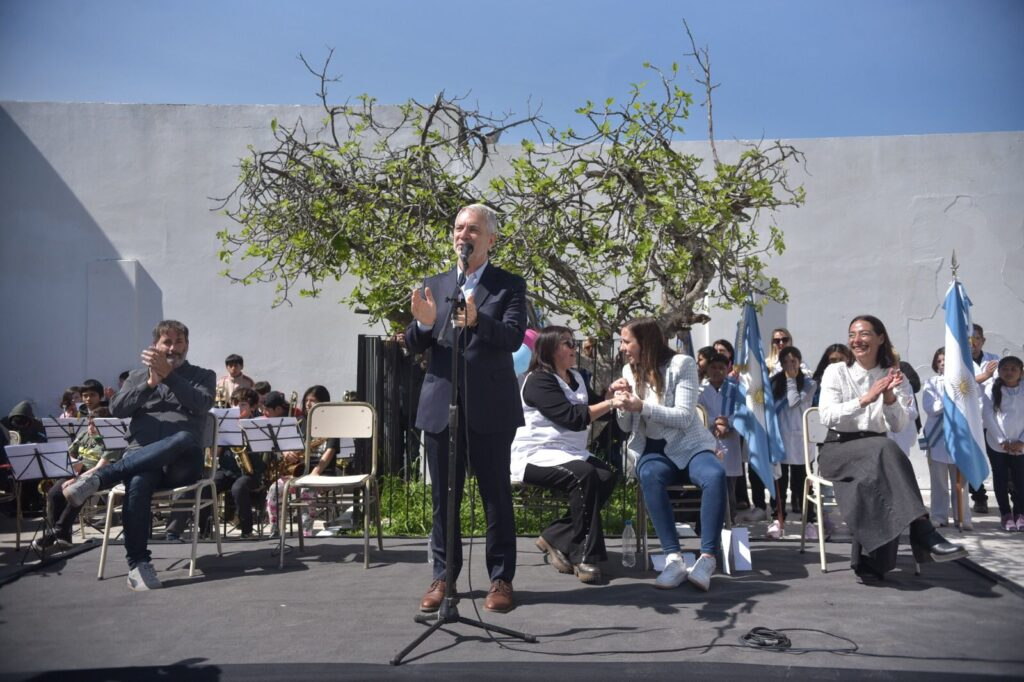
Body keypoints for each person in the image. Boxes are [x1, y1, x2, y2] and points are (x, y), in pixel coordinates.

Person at [405, 203, 526, 614]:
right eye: (458, 228)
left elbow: (512, 338)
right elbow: (417, 341)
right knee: (444, 499)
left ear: (490, 239)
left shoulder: (509, 285)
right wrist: (421, 325)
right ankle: (443, 577)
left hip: (491, 407)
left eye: (472, 229)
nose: (463, 235)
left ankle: (500, 579)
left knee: (495, 498)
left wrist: (478, 321)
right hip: (442, 406)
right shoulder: (435, 283)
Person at [63, 320, 216, 591]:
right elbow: (118, 409)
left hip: (183, 461)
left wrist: (169, 376)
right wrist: (149, 383)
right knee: (138, 481)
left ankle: (102, 477)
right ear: (155, 346)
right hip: (141, 456)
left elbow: (201, 404)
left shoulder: (203, 375)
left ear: (187, 345)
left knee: (182, 437)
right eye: (167, 342)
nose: (173, 348)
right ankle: (137, 565)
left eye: (179, 342)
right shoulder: (136, 376)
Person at [817, 314, 966, 581]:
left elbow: (898, 425)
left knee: (881, 458)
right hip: (838, 449)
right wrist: (865, 399)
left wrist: (887, 399)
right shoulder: (836, 371)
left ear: (880, 338)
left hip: (876, 451)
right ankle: (922, 529)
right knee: (885, 450)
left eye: (864, 334)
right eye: (852, 334)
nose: (856, 340)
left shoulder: (893, 375)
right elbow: (827, 416)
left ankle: (874, 562)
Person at [614, 318, 727, 592]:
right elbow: (627, 426)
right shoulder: (629, 371)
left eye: (627, 341)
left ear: (646, 342)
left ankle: (707, 558)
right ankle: (673, 558)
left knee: (715, 474)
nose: (622, 348)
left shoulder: (683, 364)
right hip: (653, 449)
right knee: (650, 474)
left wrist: (642, 406)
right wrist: (621, 404)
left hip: (690, 446)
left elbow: (684, 415)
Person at [510, 326, 621, 584]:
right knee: (583, 476)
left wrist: (609, 395)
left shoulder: (576, 377)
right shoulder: (538, 380)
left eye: (573, 343)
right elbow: (573, 418)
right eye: (568, 344)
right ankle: (584, 555)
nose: (574, 348)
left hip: (570, 453)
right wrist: (610, 404)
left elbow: (592, 405)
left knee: (606, 476)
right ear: (550, 350)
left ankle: (556, 535)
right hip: (537, 455)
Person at [166, 386, 266, 540]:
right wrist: (219, 438)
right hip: (226, 471)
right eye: (234, 404)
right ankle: (205, 530)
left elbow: (263, 452)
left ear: (253, 407)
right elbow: (214, 455)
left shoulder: (256, 426)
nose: (237, 408)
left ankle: (247, 530)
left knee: (239, 487)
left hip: (249, 473)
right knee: (206, 484)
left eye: (242, 405)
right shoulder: (225, 425)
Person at [33, 408, 123, 552]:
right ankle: (64, 537)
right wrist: (74, 464)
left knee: (75, 493)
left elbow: (100, 467)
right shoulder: (84, 435)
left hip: (98, 476)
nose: (91, 428)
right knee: (54, 494)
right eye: (89, 424)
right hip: (77, 472)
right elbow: (69, 454)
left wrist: (77, 478)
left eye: (95, 425)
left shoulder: (111, 440)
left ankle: (57, 532)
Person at [264, 385, 335, 538]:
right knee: (274, 489)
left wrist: (315, 473)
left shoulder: (331, 423)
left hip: (321, 472)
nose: (309, 404)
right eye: (307, 400)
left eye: (313, 400)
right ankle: (275, 529)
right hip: (299, 471)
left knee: (306, 490)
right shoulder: (299, 422)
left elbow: (330, 451)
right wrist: (286, 453)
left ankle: (306, 533)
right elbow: (286, 444)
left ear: (324, 403)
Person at [919, 348, 972, 529]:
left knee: (961, 482)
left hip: (959, 437)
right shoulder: (931, 383)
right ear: (936, 364)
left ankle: (962, 517)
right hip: (938, 438)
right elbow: (930, 408)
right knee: (939, 482)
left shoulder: (963, 383)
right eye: (940, 361)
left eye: (946, 360)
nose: (943, 363)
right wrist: (949, 399)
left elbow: (972, 407)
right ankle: (939, 516)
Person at [770, 346, 818, 539]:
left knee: (803, 484)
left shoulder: (809, 383)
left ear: (799, 361)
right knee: (779, 483)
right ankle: (777, 519)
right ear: (780, 364)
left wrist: (791, 380)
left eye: (794, 361)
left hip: (801, 441)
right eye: (786, 362)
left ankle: (809, 521)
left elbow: (793, 402)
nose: (790, 365)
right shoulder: (774, 383)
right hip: (780, 438)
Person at [697, 353, 743, 520]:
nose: (717, 371)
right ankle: (708, 522)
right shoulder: (700, 390)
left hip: (730, 442)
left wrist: (727, 423)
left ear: (727, 369)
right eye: (713, 367)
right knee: (710, 485)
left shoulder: (735, 390)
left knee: (729, 487)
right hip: (708, 442)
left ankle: (730, 521)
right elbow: (696, 413)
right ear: (707, 369)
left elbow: (742, 412)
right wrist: (714, 422)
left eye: (721, 368)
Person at [982, 356, 1024, 532]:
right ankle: (1006, 514)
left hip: (1021, 444)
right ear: (999, 371)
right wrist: (1002, 441)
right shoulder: (991, 389)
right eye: (1005, 369)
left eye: (1014, 369)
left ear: (1021, 372)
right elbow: (988, 416)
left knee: (1020, 479)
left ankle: (1020, 513)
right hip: (997, 443)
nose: (1009, 372)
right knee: (1000, 478)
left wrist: (1021, 441)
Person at [969, 323, 1000, 513]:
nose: (972, 342)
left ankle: (1013, 498)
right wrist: (986, 376)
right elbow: (959, 385)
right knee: (974, 461)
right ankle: (979, 498)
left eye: (976, 338)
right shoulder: (958, 362)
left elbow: (1004, 382)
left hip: (994, 419)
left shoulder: (995, 360)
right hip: (971, 419)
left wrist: (988, 375)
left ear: (983, 340)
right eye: (968, 339)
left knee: (1000, 461)